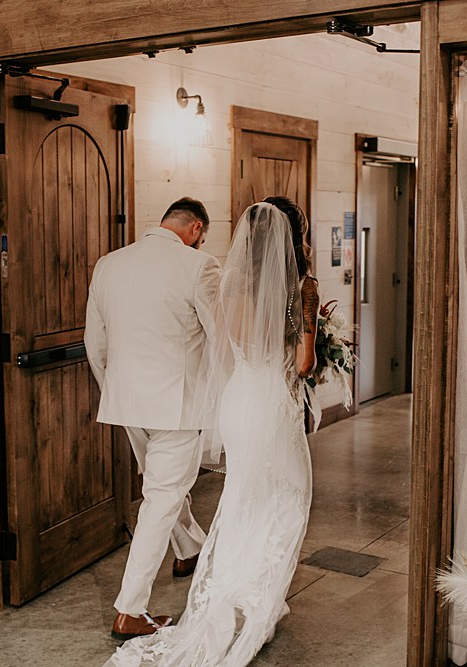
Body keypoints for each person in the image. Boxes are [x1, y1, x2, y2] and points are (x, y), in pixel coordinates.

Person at [106, 197, 320, 666]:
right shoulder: (285, 285)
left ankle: (217, 575)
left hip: (205, 400)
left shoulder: (118, 265)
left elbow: (217, 344)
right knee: (283, 495)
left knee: (239, 497)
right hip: (245, 400)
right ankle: (143, 608)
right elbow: (302, 362)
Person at [85, 197, 222, 641]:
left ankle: (189, 549)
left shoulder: (109, 264)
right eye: (203, 236)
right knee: (161, 498)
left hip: (127, 402)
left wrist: (115, 390)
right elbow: (220, 337)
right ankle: (130, 610)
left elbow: (95, 344)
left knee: (162, 487)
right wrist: (223, 395)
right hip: (176, 406)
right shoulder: (199, 266)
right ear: (196, 228)